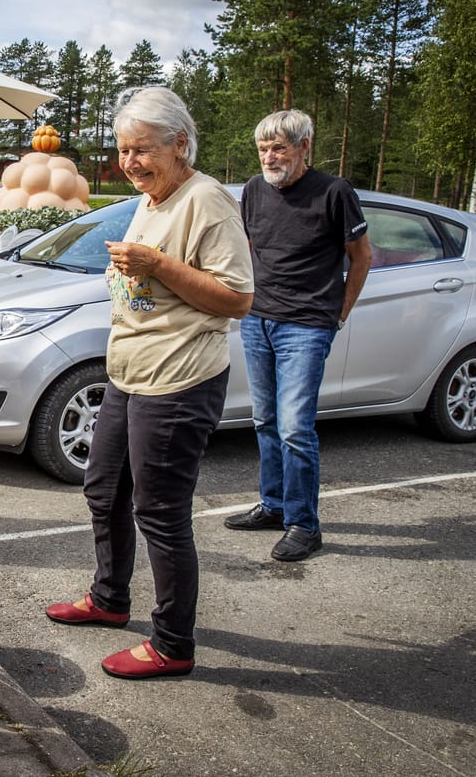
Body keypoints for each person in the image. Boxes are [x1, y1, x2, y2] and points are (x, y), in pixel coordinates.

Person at [44, 87, 253, 679]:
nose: (129, 163)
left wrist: (157, 265)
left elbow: (238, 298)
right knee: (104, 490)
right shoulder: (152, 198)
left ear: (180, 143)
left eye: (141, 150)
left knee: (161, 512)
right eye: (122, 150)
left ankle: (172, 643)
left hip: (180, 378)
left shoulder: (207, 201)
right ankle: (110, 600)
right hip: (130, 372)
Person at [223, 109, 372, 561]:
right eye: (264, 149)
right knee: (264, 420)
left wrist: (338, 314)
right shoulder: (253, 190)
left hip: (307, 326)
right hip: (258, 320)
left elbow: (361, 257)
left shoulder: (334, 192)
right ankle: (273, 504)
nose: (269, 157)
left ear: (304, 147)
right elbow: (247, 250)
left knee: (294, 428)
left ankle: (305, 525)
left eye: (279, 148)